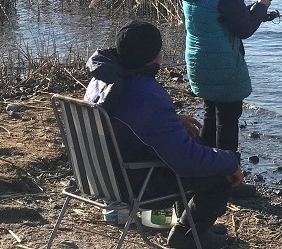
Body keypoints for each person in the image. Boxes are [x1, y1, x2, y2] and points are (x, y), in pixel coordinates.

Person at [84, 19, 243, 249]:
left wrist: (172, 121)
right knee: (220, 173)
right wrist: (230, 160)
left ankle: (193, 224)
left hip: (98, 175)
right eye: (160, 48)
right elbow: (186, 161)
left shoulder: (102, 80)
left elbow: (125, 119)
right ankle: (188, 234)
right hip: (133, 183)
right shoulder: (146, 94)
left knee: (188, 141)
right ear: (153, 55)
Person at [175, 0, 271, 198]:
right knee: (227, 122)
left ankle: (205, 175)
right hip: (224, 63)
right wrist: (261, 8)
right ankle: (230, 183)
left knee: (210, 113)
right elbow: (243, 29)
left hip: (198, 59)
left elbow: (220, 17)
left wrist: (249, 11)